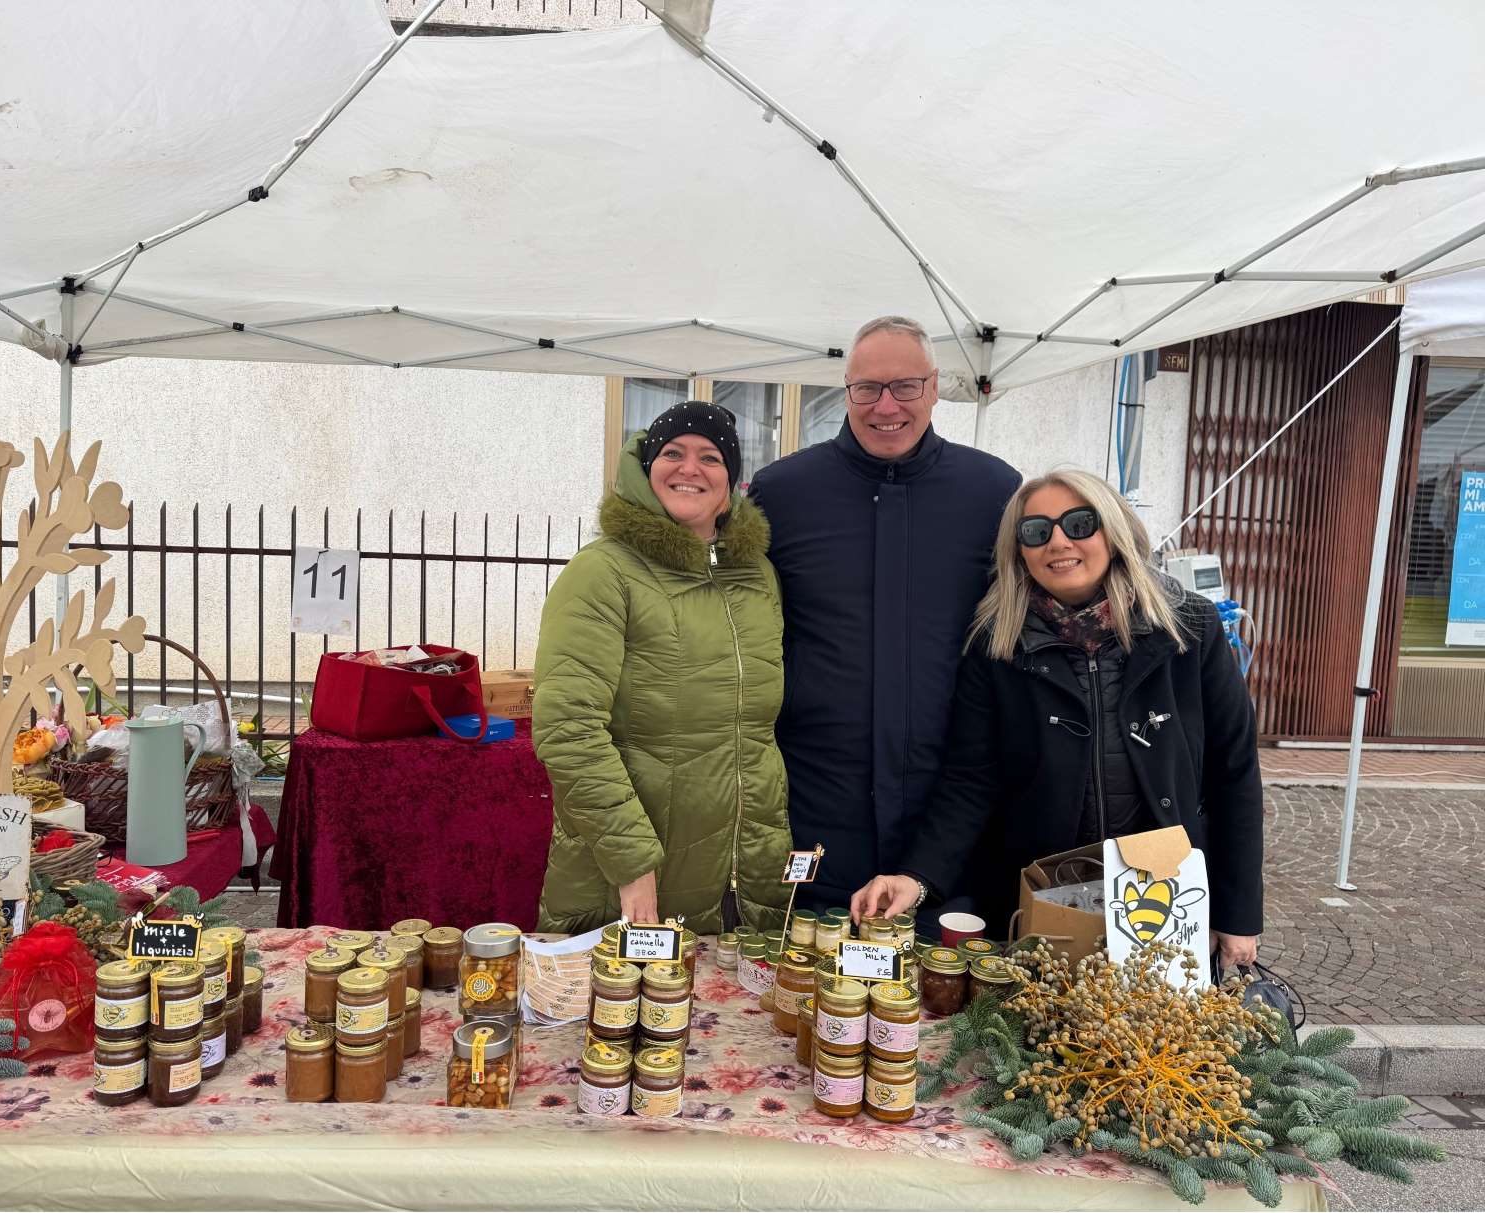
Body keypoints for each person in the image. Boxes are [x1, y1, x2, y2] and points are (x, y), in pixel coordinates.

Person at [852, 469, 1264, 968]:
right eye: (1037, 531)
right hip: (1044, 906)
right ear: (1020, 551)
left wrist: (1238, 914)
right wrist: (917, 878)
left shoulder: (1187, 628)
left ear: (1113, 530)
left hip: (1167, 898)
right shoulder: (998, 645)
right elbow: (969, 782)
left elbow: (1234, 774)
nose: (1059, 542)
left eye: (1079, 523)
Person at [748, 316, 1020, 923]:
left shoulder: (993, 492)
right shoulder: (783, 493)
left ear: (934, 387)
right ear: (846, 390)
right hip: (814, 803)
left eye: (905, 386)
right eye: (867, 388)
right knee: (804, 965)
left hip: (949, 810)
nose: (886, 406)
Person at [533, 401, 790, 935]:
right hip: (630, 876)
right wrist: (631, 860)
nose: (689, 468)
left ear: (730, 483)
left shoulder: (757, 576)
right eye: (673, 453)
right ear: (647, 468)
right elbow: (569, 728)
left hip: (744, 874)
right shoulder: (603, 571)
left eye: (710, 457)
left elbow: (754, 733)